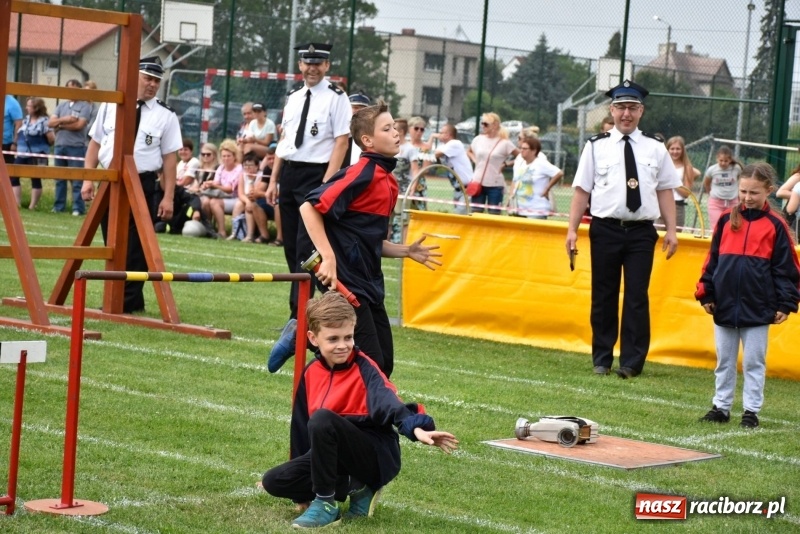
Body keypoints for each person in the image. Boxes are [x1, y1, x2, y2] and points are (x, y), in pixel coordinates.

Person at [261, 291, 458, 529]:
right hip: (336, 455)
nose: (342, 345)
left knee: (323, 420)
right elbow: (301, 430)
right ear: (313, 338)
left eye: (348, 337)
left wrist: (416, 428)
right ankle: (357, 487)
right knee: (274, 481)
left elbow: (389, 401)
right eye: (333, 339)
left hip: (376, 456)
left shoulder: (366, 368)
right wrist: (301, 494)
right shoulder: (310, 373)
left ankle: (326, 504)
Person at [285, 100, 442, 379]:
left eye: (394, 127)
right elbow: (308, 207)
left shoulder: (389, 181)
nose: (396, 133)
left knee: (383, 364)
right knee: (370, 364)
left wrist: (406, 250)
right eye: (387, 129)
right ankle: (307, 347)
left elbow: (369, 241)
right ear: (368, 140)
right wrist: (328, 258)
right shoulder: (362, 172)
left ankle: (302, 335)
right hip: (346, 279)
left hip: (370, 282)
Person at [565, 79, 681, 379]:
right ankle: (602, 358)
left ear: (641, 111)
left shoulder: (655, 148)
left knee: (636, 296)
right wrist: (572, 230)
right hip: (605, 229)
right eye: (620, 108)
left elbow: (665, 190)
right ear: (612, 111)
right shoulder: (596, 147)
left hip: (641, 232)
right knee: (603, 295)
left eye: (632, 108)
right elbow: (582, 191)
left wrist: (671, 230)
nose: (626, 114)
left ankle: (631, 362)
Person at [695, 162, 800, 429]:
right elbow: (712, 260)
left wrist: (786, 303)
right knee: (724, 360)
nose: (747, 197)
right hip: (725, 303)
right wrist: (706, 292)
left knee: (754, 361)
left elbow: (787, 268)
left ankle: (751, 411)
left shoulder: (776, 225)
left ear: (769, 191)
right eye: (743, 191)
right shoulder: (726, 219)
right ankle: (721, 407)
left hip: (759, 305)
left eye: (754, 192)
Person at [266, 42, 351, 365]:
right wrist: (273, 180)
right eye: (307, 62)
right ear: (300, 65)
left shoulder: (337, 97)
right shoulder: (294, 96)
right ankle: (300, 315)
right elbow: (285, 142)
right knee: (291, 248)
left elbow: (341, 141)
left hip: (317, 175)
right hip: (290, 173)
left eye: (318, 63)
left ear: (327, 66)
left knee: (307, 250)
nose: (312, 68)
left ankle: (313, 316)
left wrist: (326, 184)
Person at [81, 56, 182, 314]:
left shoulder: (165, 115)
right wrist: (88, 178)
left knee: (137, 245)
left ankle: (128, 300)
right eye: (148, 78)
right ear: (134, 76)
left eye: (157, 81)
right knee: (111, 242)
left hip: (142, 181)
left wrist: (168, 196)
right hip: (110, 180)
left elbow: (170, 159)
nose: (152, 85)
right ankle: (116, 297)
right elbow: (95, 143)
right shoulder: (111, 105)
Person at [50, 79, 92, 215]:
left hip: (76, 147)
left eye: (74, 89)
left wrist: (60, 125)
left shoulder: (84, 106)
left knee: (77, 180)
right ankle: (58, 207)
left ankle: (78, 208)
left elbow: (79, 125)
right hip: (59, 145)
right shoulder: (61, 106)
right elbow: (50, 123)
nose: (71, 92)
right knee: (59, 178)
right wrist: (65, 120)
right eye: (68, 88)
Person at [466, 112, 518, 214]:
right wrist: (474, 159)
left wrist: (507, 164)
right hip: (477, 182)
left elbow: (522, 156)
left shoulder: (505, 143)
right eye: (482, 124)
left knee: (494, 213)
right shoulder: (478, 139)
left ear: (495, 125)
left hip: (495, 184)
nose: (483, 126)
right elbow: (469, 151)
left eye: (486, 124)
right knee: (476, 213)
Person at [12, 97, 53, 210]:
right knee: (13, 175)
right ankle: (17, 203)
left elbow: (51, 138)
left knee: (35, 178)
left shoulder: (45, 121)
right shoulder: (26, 119)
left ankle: (32, 206)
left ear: (36, 108)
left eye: (29, 106)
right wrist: (15, 144)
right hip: (22, 154)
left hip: (37, 154)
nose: (26, 108)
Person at [508, 135, 563, 219]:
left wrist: (547, 188)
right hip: (520, 209)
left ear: (534, 151)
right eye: (521, 148)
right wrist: (510, 198)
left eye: (525, 149)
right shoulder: (521, 163)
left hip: (536, 210)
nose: (521, 150)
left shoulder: (541, 163)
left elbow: (559, 173)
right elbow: (515, 181)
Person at [200, 138, 240, 239]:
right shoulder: (221, 167)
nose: (226, 159)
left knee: (214, 202)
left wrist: (215, 186)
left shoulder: (239, 169)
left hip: (235, 198)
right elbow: (216, 182)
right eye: (223, 156)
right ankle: (209, 229)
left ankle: (222, 231)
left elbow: (230, 189)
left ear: (234, 156)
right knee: (206, 201)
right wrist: (208, 184)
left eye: (228, 156)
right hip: (222, 196)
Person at [432, 123, 473, 215]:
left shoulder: (455, 143)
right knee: (458, 217)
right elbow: (433, 157)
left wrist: (433, 137)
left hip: (466, 188)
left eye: (441, 133)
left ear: (448, 135)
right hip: (457, 189)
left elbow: (434, 154)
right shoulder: (444, 146)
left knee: (459, 216)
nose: (439, 135)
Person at [703, 145, 742, 231]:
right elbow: (706, 183)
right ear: (717, 159)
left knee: (732, 226)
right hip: (716, 203)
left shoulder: (736, 168)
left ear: (730, 160)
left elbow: (740, 180)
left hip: (732, 202)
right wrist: (710, 192)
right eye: (721, 160)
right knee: (716, 227)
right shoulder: (712, 170)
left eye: (726, 161)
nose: (723, 163)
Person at [665, 136, 700, 230]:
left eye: (678, 149)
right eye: (672, 149)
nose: (675, 151)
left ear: (682, 150)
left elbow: (686, 193)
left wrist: (672, 181)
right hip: (660, 206)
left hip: (677, 207)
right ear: (667, 149)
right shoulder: (662, 165)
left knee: (675, 236)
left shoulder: (687, 168)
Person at [342, 91, 370, 167]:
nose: (358, 111)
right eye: (355, 107)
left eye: (362, 108)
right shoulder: (340, 128)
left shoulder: (370, 131)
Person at [3, 95, 23, 183]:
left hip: (5, 143)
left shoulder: (11, 102)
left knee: (9, 175)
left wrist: (15, 143)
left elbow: (19, 124)